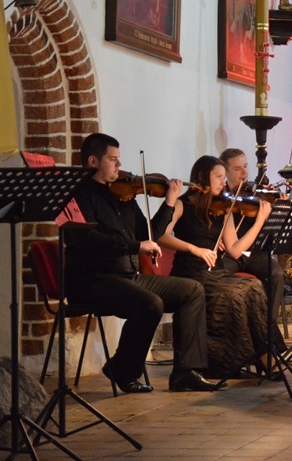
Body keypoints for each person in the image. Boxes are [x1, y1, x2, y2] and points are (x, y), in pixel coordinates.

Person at [64, 133, 220, 393]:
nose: (118, 165)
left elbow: (151, 234)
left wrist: (170, 201)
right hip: (93, 279)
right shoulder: (78, 196)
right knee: (150, 303)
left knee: (192, 290)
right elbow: (88, 240)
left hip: (127, 277)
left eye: (119, 159)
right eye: (112, 159)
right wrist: (136, 247)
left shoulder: (122, 196)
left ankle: (185, 372)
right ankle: (122, 369)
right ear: (93, 161)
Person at [158, 156, 286, 379]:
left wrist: (258, 223)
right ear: (201, 177)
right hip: (190, 272)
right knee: (236, 293)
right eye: (218, 177)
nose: (223, 183)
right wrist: (194, 248)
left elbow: (235, 250)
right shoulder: (183, 204)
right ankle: (227, 363)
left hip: (215, 273)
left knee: (253, 287)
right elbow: (161, 236)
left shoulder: (223, 209)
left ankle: (264, 357)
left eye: (224, 178)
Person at [218, 148, 286, 332]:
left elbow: (270, 230)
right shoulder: (219, 197)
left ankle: (267, 330)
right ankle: (231, 329)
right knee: (218, 275)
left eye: (245, 167)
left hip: (253, 253)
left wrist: (279, 211)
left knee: (276, 274)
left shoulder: (256, 195)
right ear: (225, 172)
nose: (244, 173)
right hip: (229, 255)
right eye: (237, 169)